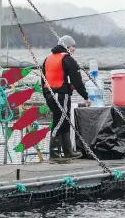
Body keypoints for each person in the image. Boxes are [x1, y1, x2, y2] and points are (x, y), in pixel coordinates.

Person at [41, 35, 90, 163]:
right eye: (73, 46)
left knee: (64, 120)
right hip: (61, 95)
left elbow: (43, 79)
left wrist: (46, 94)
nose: (74, 49)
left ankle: (68, 151)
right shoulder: (67, 59)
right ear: (67, 47)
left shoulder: (47, 59)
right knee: (59, 121)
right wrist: (85, 96)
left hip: (50, 94)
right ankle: (54, 153)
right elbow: (77, 81)